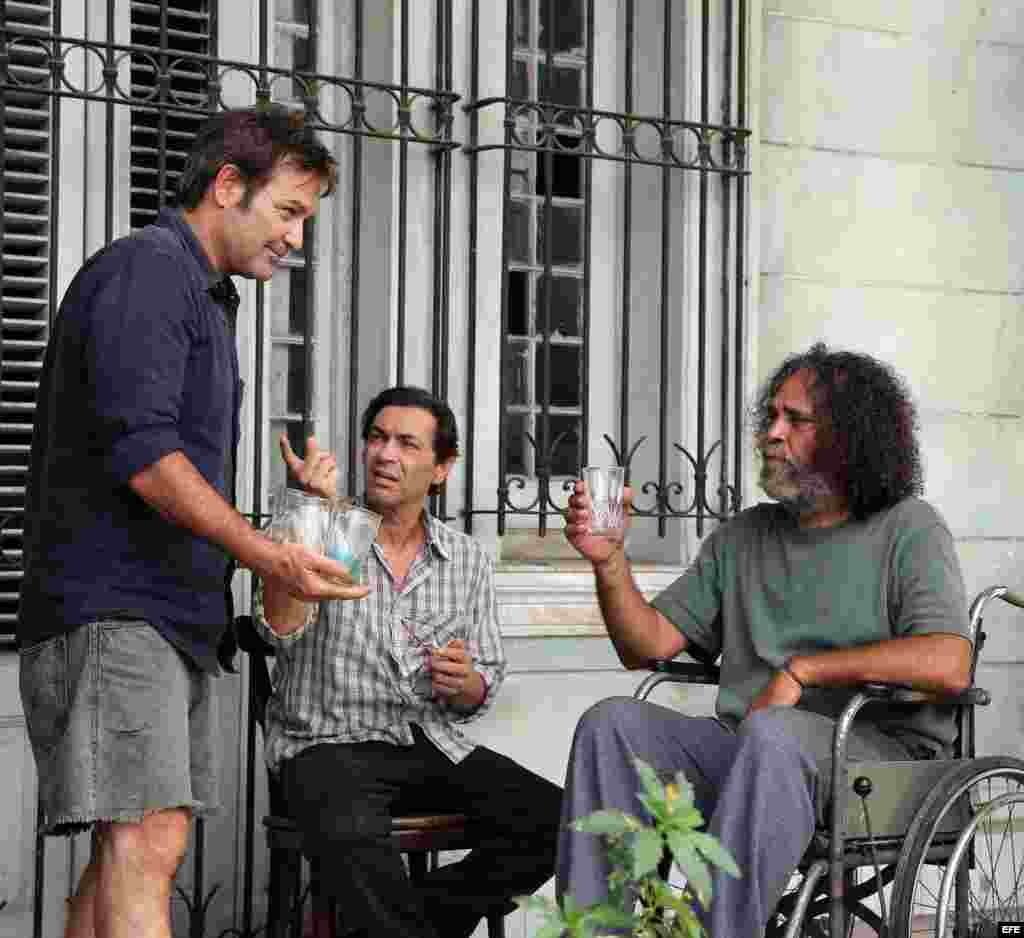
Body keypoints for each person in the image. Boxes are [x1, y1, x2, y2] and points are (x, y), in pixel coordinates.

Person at [17, 105, 368, 938]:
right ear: (226, 186)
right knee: (151, 844)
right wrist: (267, 556)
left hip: (162, 618)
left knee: (121, 858)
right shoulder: (148, 273)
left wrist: (285, 530)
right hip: (117, 611)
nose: (296, 239)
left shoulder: (204, 295)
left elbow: (168, 465)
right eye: (288, 211)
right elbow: (147, 459)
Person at [556, 344, 972, 937]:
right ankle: (597, 933)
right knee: (612, 725)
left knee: (774, 732)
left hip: (881, 766)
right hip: (754, 752)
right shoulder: (743, 536)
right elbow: (643, 647)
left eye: (795, 420)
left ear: (851, 438)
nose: (771, 435)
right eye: (770, 418)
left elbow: (950, 662)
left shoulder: (910, 527)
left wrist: (804, 671)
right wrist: (610, 563)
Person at [256, 385, 563, 938]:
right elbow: (277, 628)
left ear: (442, 468)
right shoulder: (326, 530)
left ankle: (422, 920)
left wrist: (466, 683)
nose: (385, 454)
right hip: (325, 745)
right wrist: (307, 514)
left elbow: (480, 688)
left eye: (406, 443)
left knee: (558, 820)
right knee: (352, 831)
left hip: (426, 746)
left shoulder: (464, 558)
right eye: (376, 438)